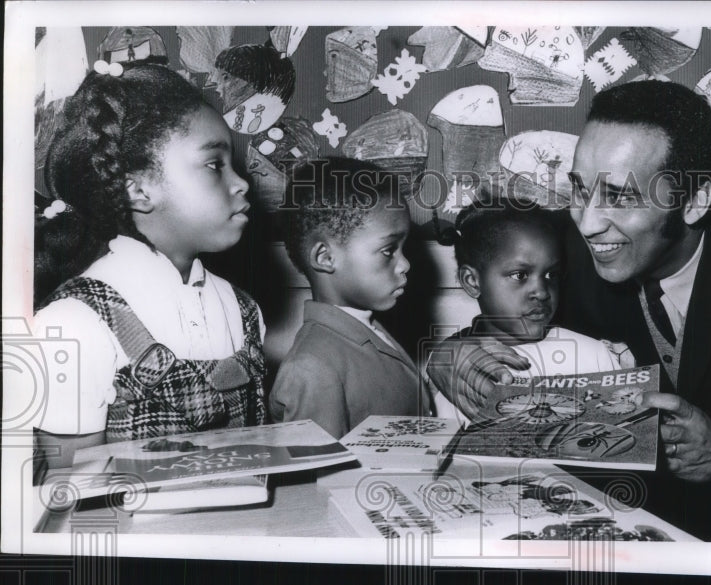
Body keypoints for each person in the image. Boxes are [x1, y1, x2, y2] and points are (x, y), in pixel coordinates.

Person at [428, 80, 711, 540]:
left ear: (695, 201)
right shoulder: (558, 250)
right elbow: (496, 308)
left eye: (620, 196)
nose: (588, 223)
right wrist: (448, 355)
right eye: (579, 188)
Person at [33, 63, 264, 469]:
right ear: (138, 189)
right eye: (214, 165)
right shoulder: (73, 325)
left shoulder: (244, 311)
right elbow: (71, 492)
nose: (241, 183)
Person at [269, 157, 430, 439]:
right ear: (325, 257)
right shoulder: (312, 367)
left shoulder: (369, 329)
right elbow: (315, 478)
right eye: (389, 250)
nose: (405, 264)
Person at [433, 195, 621, 423]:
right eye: (520, 275)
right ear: (472, 281)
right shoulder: (456, 373)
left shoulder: (594, 355)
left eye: (551, 274)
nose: (542, 292)